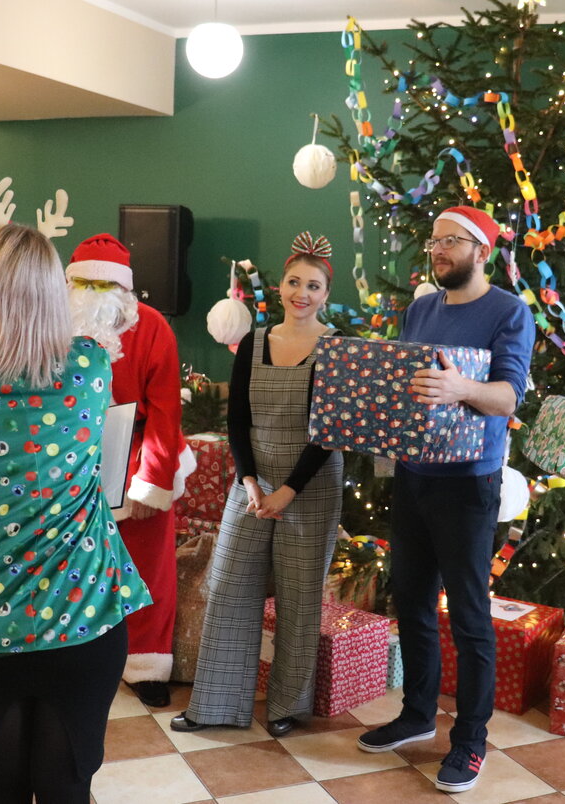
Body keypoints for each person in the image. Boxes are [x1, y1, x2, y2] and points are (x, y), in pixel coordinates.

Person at [0, 223, 152, 804]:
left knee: (2, 784)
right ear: (54, 298)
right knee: (66, 785)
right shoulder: (89, 369)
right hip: (84, 612)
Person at [353, 206, 533, 793]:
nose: (437, 250)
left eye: (451, 241)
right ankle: (417, 714)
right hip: (413, 475)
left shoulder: (509, 312)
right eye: (434, 241)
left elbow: (508, 397)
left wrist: (461, 388)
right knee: (411, 600)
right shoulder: (421, 309)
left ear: (481, 251)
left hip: (468, 483)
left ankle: (471, 741)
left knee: (471, 616)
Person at [170, 232, 342, 739]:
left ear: (325, 294)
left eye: (313, 286)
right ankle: (215, 704)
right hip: (253, 482)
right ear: (281, 286)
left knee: (299, 596)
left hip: (311, 484)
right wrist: (248, 480)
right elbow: (237, 419)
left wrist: (289, 490)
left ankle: (288, 706)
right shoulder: (254, 341)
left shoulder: (337, 348)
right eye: (294, 282)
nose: (301, 293)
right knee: (227, 586)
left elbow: (330, 430)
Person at [66, 233, 191, 708]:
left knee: (146, 563)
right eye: (86, 285)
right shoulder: (50, 324)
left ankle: (145, 661)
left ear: (124, 289)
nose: (95, 296)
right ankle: (78, 653)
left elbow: (165, 411)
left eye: (105, 286)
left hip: (137, 455)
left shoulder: (153, 326)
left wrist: (152, 483)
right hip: (68, 459)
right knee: (74, 564)